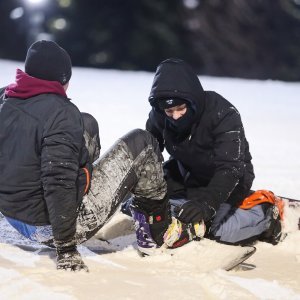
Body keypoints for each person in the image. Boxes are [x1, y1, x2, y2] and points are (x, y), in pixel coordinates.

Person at [0, 41, 203, 272]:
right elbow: (57, 181)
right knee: (142, 142)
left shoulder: (7, 97)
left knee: (86, 123)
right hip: (50, 227)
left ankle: (81, 185)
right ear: (63, 77)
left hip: (14, 216)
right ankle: (158, 231)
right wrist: (66, 248)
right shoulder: (61, 114)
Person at [142, 58, 283, 246]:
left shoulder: (222, 113)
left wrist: (206, 204)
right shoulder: (159, 116)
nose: (175, 116)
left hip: (231, 178)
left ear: (192, 102)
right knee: (149, 207)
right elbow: (150, 155)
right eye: (169, 111)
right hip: (187, 173)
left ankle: (265, 214)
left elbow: (231, 168)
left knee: (215, 231)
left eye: (181, 108)